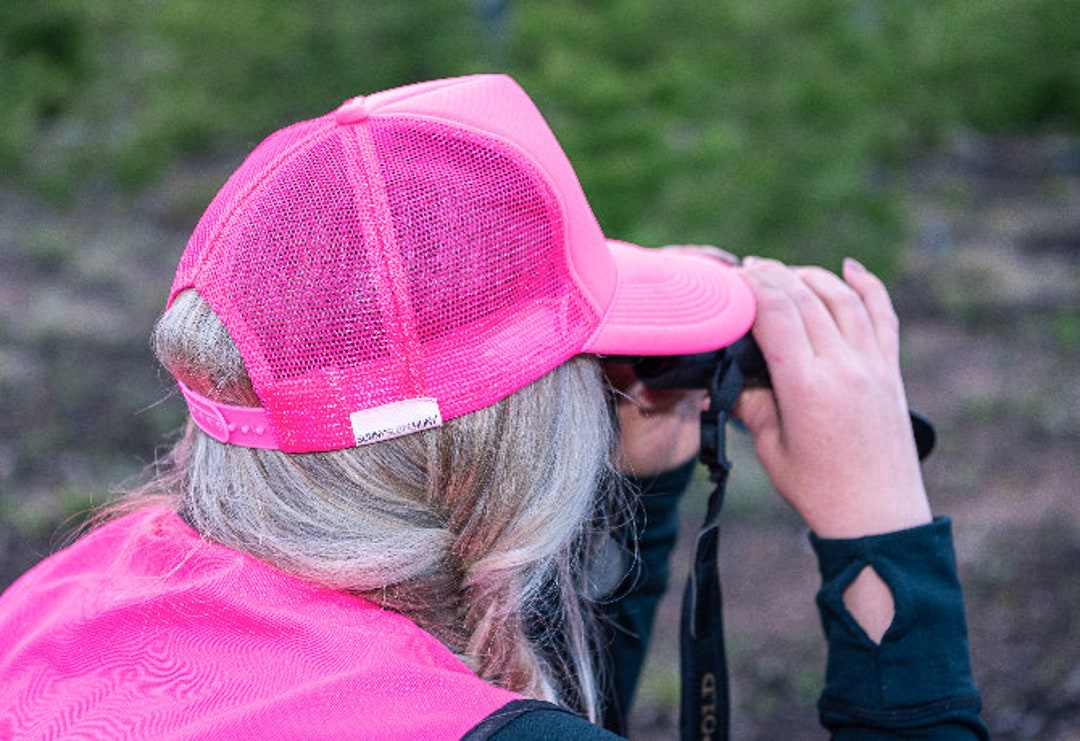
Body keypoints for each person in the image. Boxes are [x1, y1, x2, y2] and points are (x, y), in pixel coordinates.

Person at [0, 74, 987, 739]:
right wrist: (881, 534)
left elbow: (502, 704)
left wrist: (636, 492)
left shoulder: (56, 604)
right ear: (513, 435)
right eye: (579, 377)